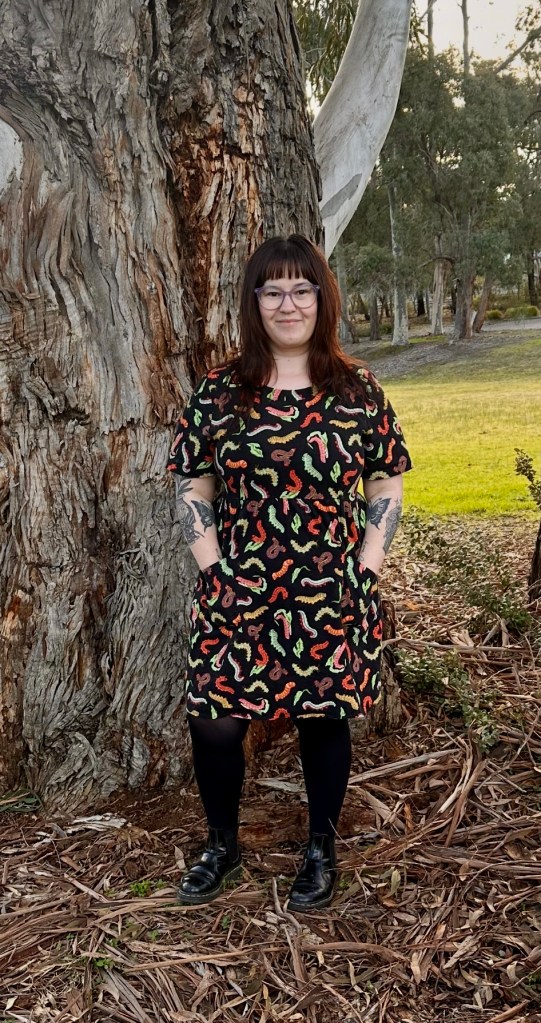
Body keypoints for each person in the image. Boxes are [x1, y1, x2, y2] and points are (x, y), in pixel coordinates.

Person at [167, 234, 412, 912]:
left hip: (330, 586)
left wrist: (367, 563)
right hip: (237, 583)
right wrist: (212, 568)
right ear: (254, 301)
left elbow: (386, 480)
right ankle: (221, 844)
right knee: (213, 717)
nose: (287, 302)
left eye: (300, 288)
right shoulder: (222, 389)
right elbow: (193, 483)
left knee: (322, 715)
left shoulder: (355, 389)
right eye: (271, 289)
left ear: (321, 298)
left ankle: (320, 848)